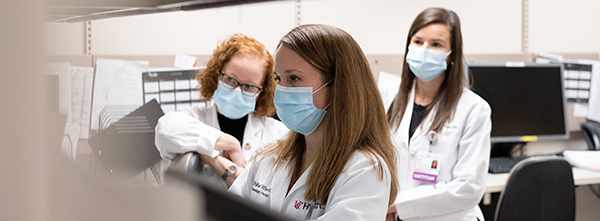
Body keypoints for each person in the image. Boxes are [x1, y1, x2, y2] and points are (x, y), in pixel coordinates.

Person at [228, 24, 398, 220]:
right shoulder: (270, 157)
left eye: (294, 78)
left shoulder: (365, 170)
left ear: (337, 87)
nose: (281, 90)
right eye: (277, 78)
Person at [384, 7, 492, 221]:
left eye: (436, 45)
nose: (424, 50)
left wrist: (399, 205)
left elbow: (468, 187)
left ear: (451, 55)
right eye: (418, 41)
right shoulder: (387, 93)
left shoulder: (473, 108)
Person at [155, 34, 288, 186]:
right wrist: (228, 143)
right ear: (217, 76)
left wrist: (212, 158)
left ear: (261, 92)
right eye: (230, 80)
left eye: (249, 86)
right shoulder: (194, 117)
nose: (238, 91)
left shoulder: (277, 133)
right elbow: (163, 131)